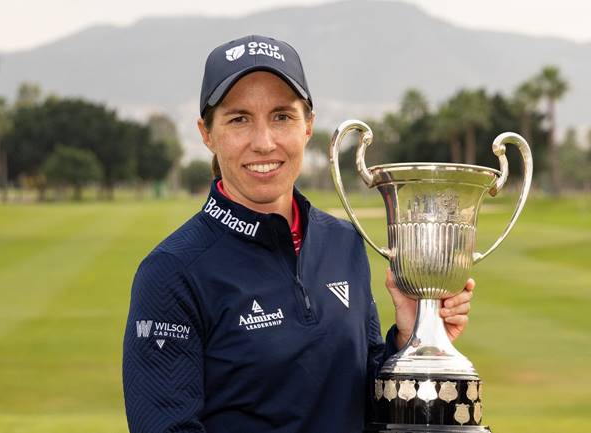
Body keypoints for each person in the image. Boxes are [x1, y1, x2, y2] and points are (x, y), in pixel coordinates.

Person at [122, 35, 474, 433]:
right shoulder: (171, 272)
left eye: (282, 116)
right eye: (239, 119)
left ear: (308, 125)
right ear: (207, 133)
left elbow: (365, 401)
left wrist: (408, 340)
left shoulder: (343, 242)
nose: (263, 142)